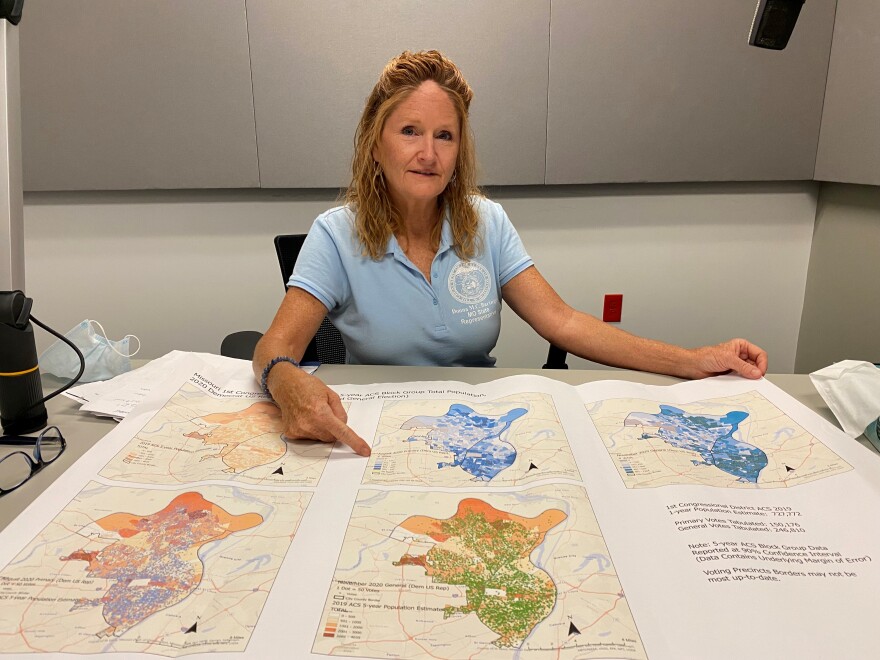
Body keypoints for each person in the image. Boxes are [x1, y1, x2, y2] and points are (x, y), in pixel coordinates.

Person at [253, 50, 767, 458]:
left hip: (477, 430)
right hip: (381, 433)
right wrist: (284, 379)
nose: (428, 153)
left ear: (459, 152)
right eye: (409, 130)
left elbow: (563, 322)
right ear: (375, 142)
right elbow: (274, 345)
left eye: (444, 136)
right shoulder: (335, 234)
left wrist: (692, 360)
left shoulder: (487, 223)